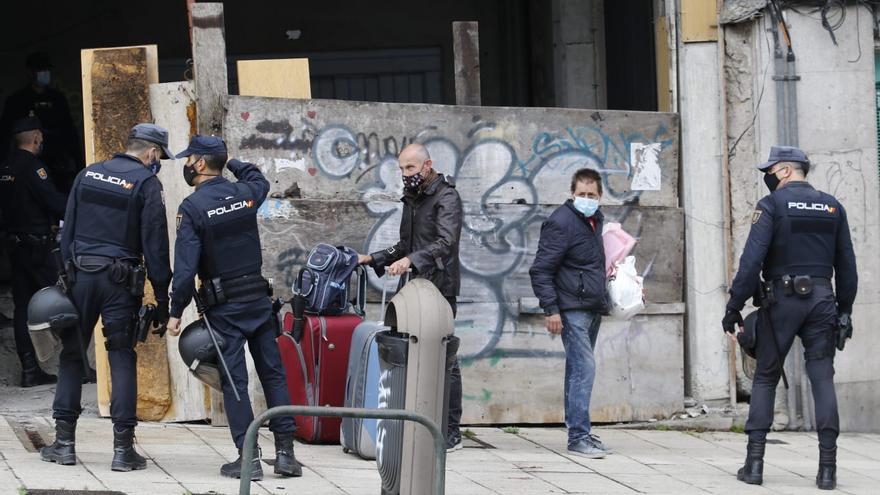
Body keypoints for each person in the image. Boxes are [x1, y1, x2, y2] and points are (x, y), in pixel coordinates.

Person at [165, 135, 302, 481]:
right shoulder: (245, 194)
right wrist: (230, 161)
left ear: (198, 164)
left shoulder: (193, 209)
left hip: (223, 307)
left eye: (188, 159)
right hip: (257, 301)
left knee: (235, 382)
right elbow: (259, 178)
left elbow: (184, 270)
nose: (185, 164)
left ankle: (248, 459)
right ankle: (286, 454)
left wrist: (175, 311)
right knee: (273, 373)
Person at [723, 146, 857, 490]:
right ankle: (828, 471)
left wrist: (734, 307)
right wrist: (845, 310)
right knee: (822, 379)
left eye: (770, 170)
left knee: (766, 377)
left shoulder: (771, 206)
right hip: (823, 299)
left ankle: (754, 466)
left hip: (781, 300)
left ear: (784, 171)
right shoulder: (832, 207)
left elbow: (751, 262)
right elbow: (847, 267)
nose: (767, 176)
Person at [40, 123, 172, 472]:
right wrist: (162, 298)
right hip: (120, 282)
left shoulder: (88, 174)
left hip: (81, 276)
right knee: (121, 357)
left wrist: (67, 276)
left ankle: (64, 445)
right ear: (152, 153)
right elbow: (156, 246)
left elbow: (67, 229)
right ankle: (122, 451)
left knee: (71, 356)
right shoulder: (146, 183)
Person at [357, 142, 465, 452]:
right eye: (402, 169)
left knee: (445, 358)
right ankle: (418, 422)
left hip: (440, 287)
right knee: (412, 355)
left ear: (427, 165)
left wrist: (412, 260)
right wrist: (372, 258)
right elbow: (406, 244)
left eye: (411, 168)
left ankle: (451, 430)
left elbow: (446, 242)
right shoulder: (413, 199)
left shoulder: (446, 197)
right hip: (415, 287)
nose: (406, 175)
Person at [528, 168, 610, 459]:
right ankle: (578, 437)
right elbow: (540, 269)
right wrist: (551, 309)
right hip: (571, 310)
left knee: (577, 370)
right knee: (584, 370)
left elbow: (593, 265)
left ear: (600, 196)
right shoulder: (561, 222)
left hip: (591, 307)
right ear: (572, 194)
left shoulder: (595, 221)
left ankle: (581, 432)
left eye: (592, 195)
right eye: (582, 195)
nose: (587, 199)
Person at [0, 116, 66, 387]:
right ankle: (79, 368)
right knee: (63, 303)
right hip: (38, 247)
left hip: (15, 246)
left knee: (23, 308)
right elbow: (54, 201)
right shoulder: (33, 167)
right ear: (36, 137)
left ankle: (29, 370)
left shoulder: (5, 166)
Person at [0, 52, 83, 192]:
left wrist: (78, 161)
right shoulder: (17, 100)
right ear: (30, 72)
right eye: (40, 69)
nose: (44, 73)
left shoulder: (57, 99)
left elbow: (69, 131)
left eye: (46, 69)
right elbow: (5, 132)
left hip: (56, 161)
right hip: (26, 162)